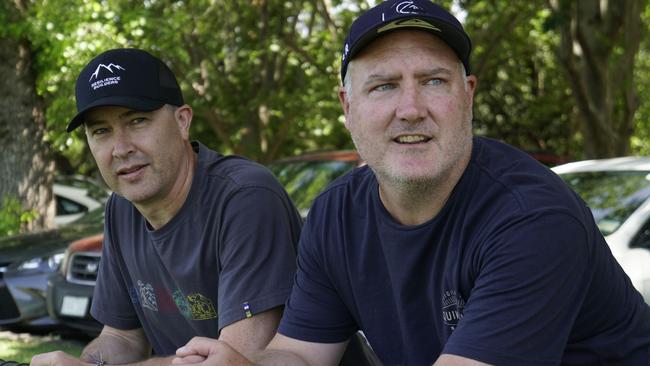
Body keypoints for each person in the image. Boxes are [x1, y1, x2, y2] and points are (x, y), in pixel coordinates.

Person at [171, 0, 650, 365]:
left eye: (435, 81)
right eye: (383, 86)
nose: (411, 108)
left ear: (467, 96)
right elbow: (299, 353)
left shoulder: (533, 218)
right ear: (347, 105)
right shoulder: (336, 215)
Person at [31, 48, 303, 366]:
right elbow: (121, 338)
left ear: (182, 121)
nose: (120, 148)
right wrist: (87, 363)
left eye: (137, 121)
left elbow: (234, 360)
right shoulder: (121, 210)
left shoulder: (246, 198)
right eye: (101, 131)